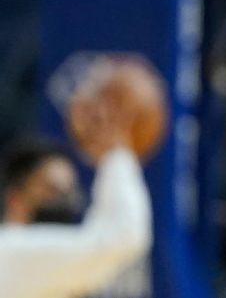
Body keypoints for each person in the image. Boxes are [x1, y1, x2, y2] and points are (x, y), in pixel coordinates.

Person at [0, 57, 157, 298]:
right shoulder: (10, 253)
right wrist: (115, 152)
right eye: (51, 190)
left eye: (68, 192)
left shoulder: (54, 275)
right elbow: (122, 237)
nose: (64, 201)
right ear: (15, 200)